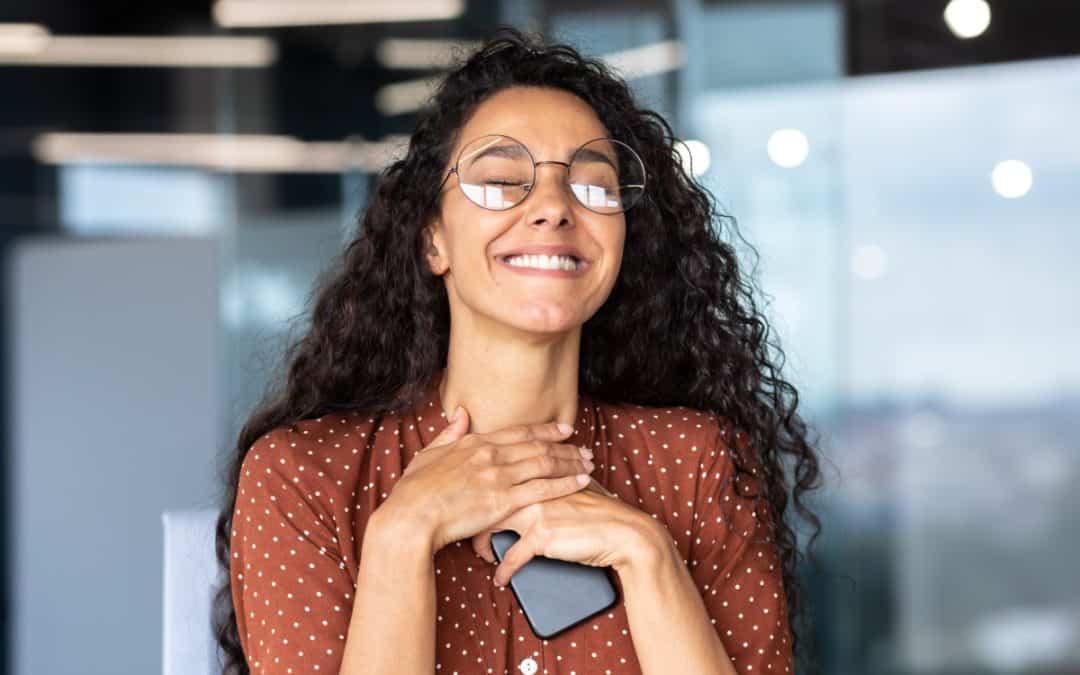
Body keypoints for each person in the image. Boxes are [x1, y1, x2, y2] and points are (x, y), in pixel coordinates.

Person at [213, 26, 823, 675]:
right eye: (502, 180)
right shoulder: (304, 477)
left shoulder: (699, 464)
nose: (554, 207)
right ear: (432, 240)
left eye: (593, 186)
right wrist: (402, 534)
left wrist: (649, 556)